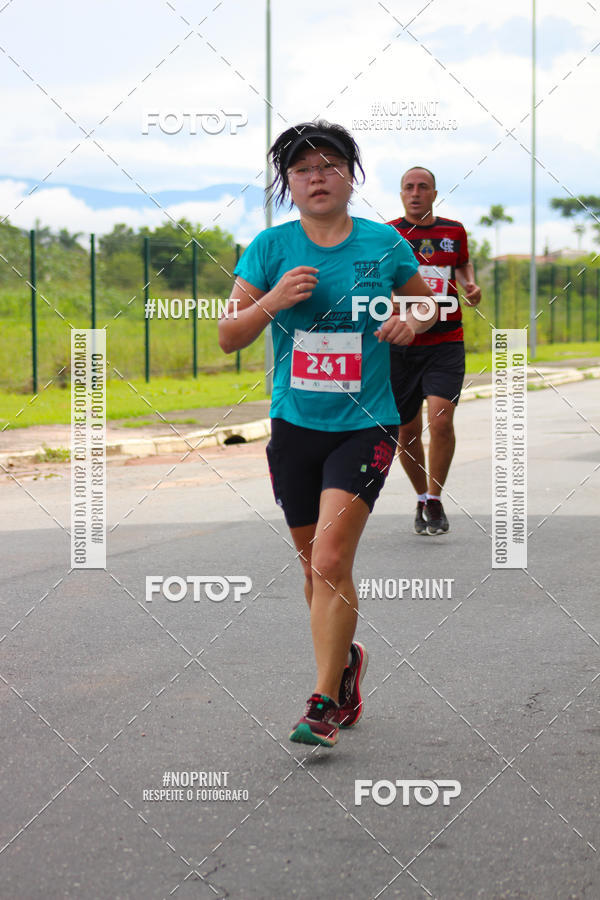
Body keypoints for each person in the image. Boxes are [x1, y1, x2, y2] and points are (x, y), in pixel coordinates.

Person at [219, 122, 437, 748]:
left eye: (330, 165)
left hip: (365, 425)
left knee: (331, 558)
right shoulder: (271, 248)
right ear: (288, 183)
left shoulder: (383, 245)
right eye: (303, 169)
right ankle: (344, 667)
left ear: (350, 176)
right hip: (294, 428)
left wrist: (410, 321)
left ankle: (321, 702)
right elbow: (229, 334)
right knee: (313, 569)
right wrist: (275, 300)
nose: (317, 177)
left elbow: (425, 303)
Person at [387, 167, 481, 535]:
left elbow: (462, 266)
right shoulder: (389, 235)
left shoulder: (453, 231)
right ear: (401, 195)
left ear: (434, 193)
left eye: (422, 187)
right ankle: (422, 498)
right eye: (408, 187)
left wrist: (470, 285)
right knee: (406, 432)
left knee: (441, 419)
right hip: (403, 344)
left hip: (445, 340)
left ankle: (436, 497)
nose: (415, 192)